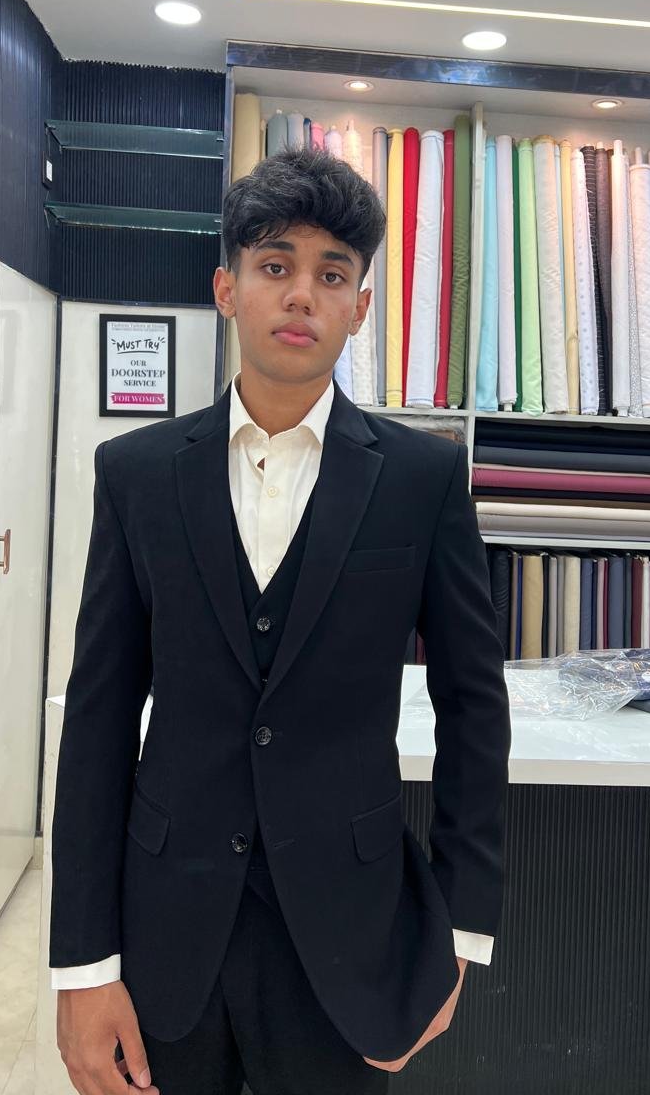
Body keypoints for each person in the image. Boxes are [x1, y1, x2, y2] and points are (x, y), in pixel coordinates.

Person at [50, 145, 510, 1094]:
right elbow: (99, 717)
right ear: (227, 288)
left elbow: (475, 705)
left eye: (332, 275)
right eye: (275, 265)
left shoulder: (422, 479)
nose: (302, 293)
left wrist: (461, 932)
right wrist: (83, 966)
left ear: (360, 307)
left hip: (353, 932)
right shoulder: (136, 474)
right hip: (166, 925)